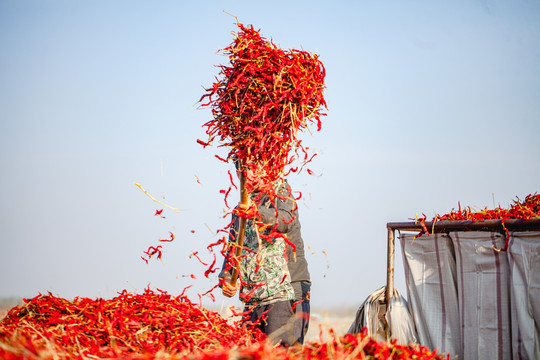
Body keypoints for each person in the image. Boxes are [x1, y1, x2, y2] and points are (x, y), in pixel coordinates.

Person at [219, 162, 311, 346]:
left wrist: (256, 212)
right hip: (254, 297)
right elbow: (234, 246)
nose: (247, 174)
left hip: (284, 295)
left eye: (252, 167)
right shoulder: (240, 208)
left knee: (281, 353)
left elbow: (285, 220)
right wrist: (227, 278)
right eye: (241, 169)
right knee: (248, 352)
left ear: (265, 167)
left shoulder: (280, 191)